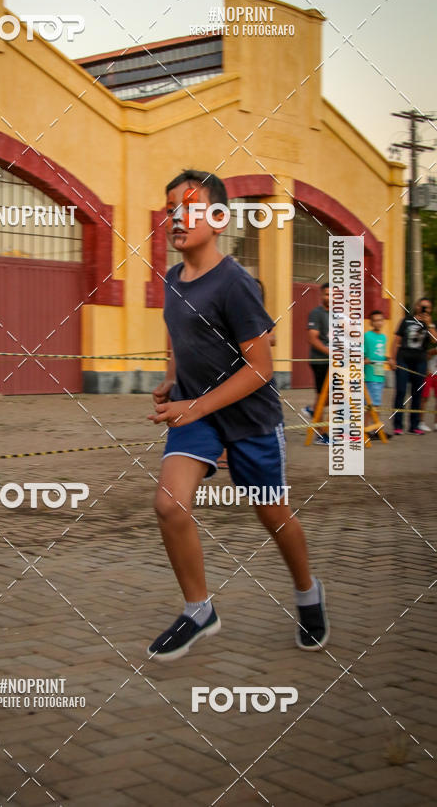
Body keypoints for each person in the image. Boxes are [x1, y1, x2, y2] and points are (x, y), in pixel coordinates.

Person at [146, 169, 328, 661]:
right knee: (169, 505)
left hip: (250, 420)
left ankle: (308, 593)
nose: (176, 219)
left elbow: (261, 369)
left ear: (219, 218)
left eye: (189, 208)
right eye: (170, 211)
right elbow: (181, 340)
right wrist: (170, 379)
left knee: (271, 514)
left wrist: (194, 404)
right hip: (199, 416)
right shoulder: (171, 279)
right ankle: (199, 609)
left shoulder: (237, 284)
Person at [390, 298, 436, 435]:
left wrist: (429, 324)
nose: (424, 309)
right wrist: (392, 358)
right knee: (401, 391)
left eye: (427, 307)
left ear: (430, 310)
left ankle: (414, 425)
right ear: (416, 306)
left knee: (417, 393)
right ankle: (398, 425)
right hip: (403, 359)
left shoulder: (431, 324)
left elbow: (434, 341)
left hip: (420, 361)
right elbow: (396, 340)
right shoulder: (406, 321)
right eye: (422, 306)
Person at [305, 283, 330, 444]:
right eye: (327, 294)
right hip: (320, 361)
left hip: (336, 362)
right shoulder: (316, 313)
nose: (330, 297)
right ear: (321, 296)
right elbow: (312, 338)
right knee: (322, 396)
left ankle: (313, 410)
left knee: (334, 396)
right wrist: (331, 353)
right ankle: (321, 435)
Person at [363, 310, 389, 437]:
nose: (378, 322)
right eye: (376, 320)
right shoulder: (367, 336)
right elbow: (362, 353)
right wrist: (364, 360)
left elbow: (381, 355)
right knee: (369, 405)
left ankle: (377, 430)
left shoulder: (384, 337)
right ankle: (366, 430)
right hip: (370, 375)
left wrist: (388, 360)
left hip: (380, 376)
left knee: (377, 404)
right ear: (371, 322)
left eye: (380, 320)